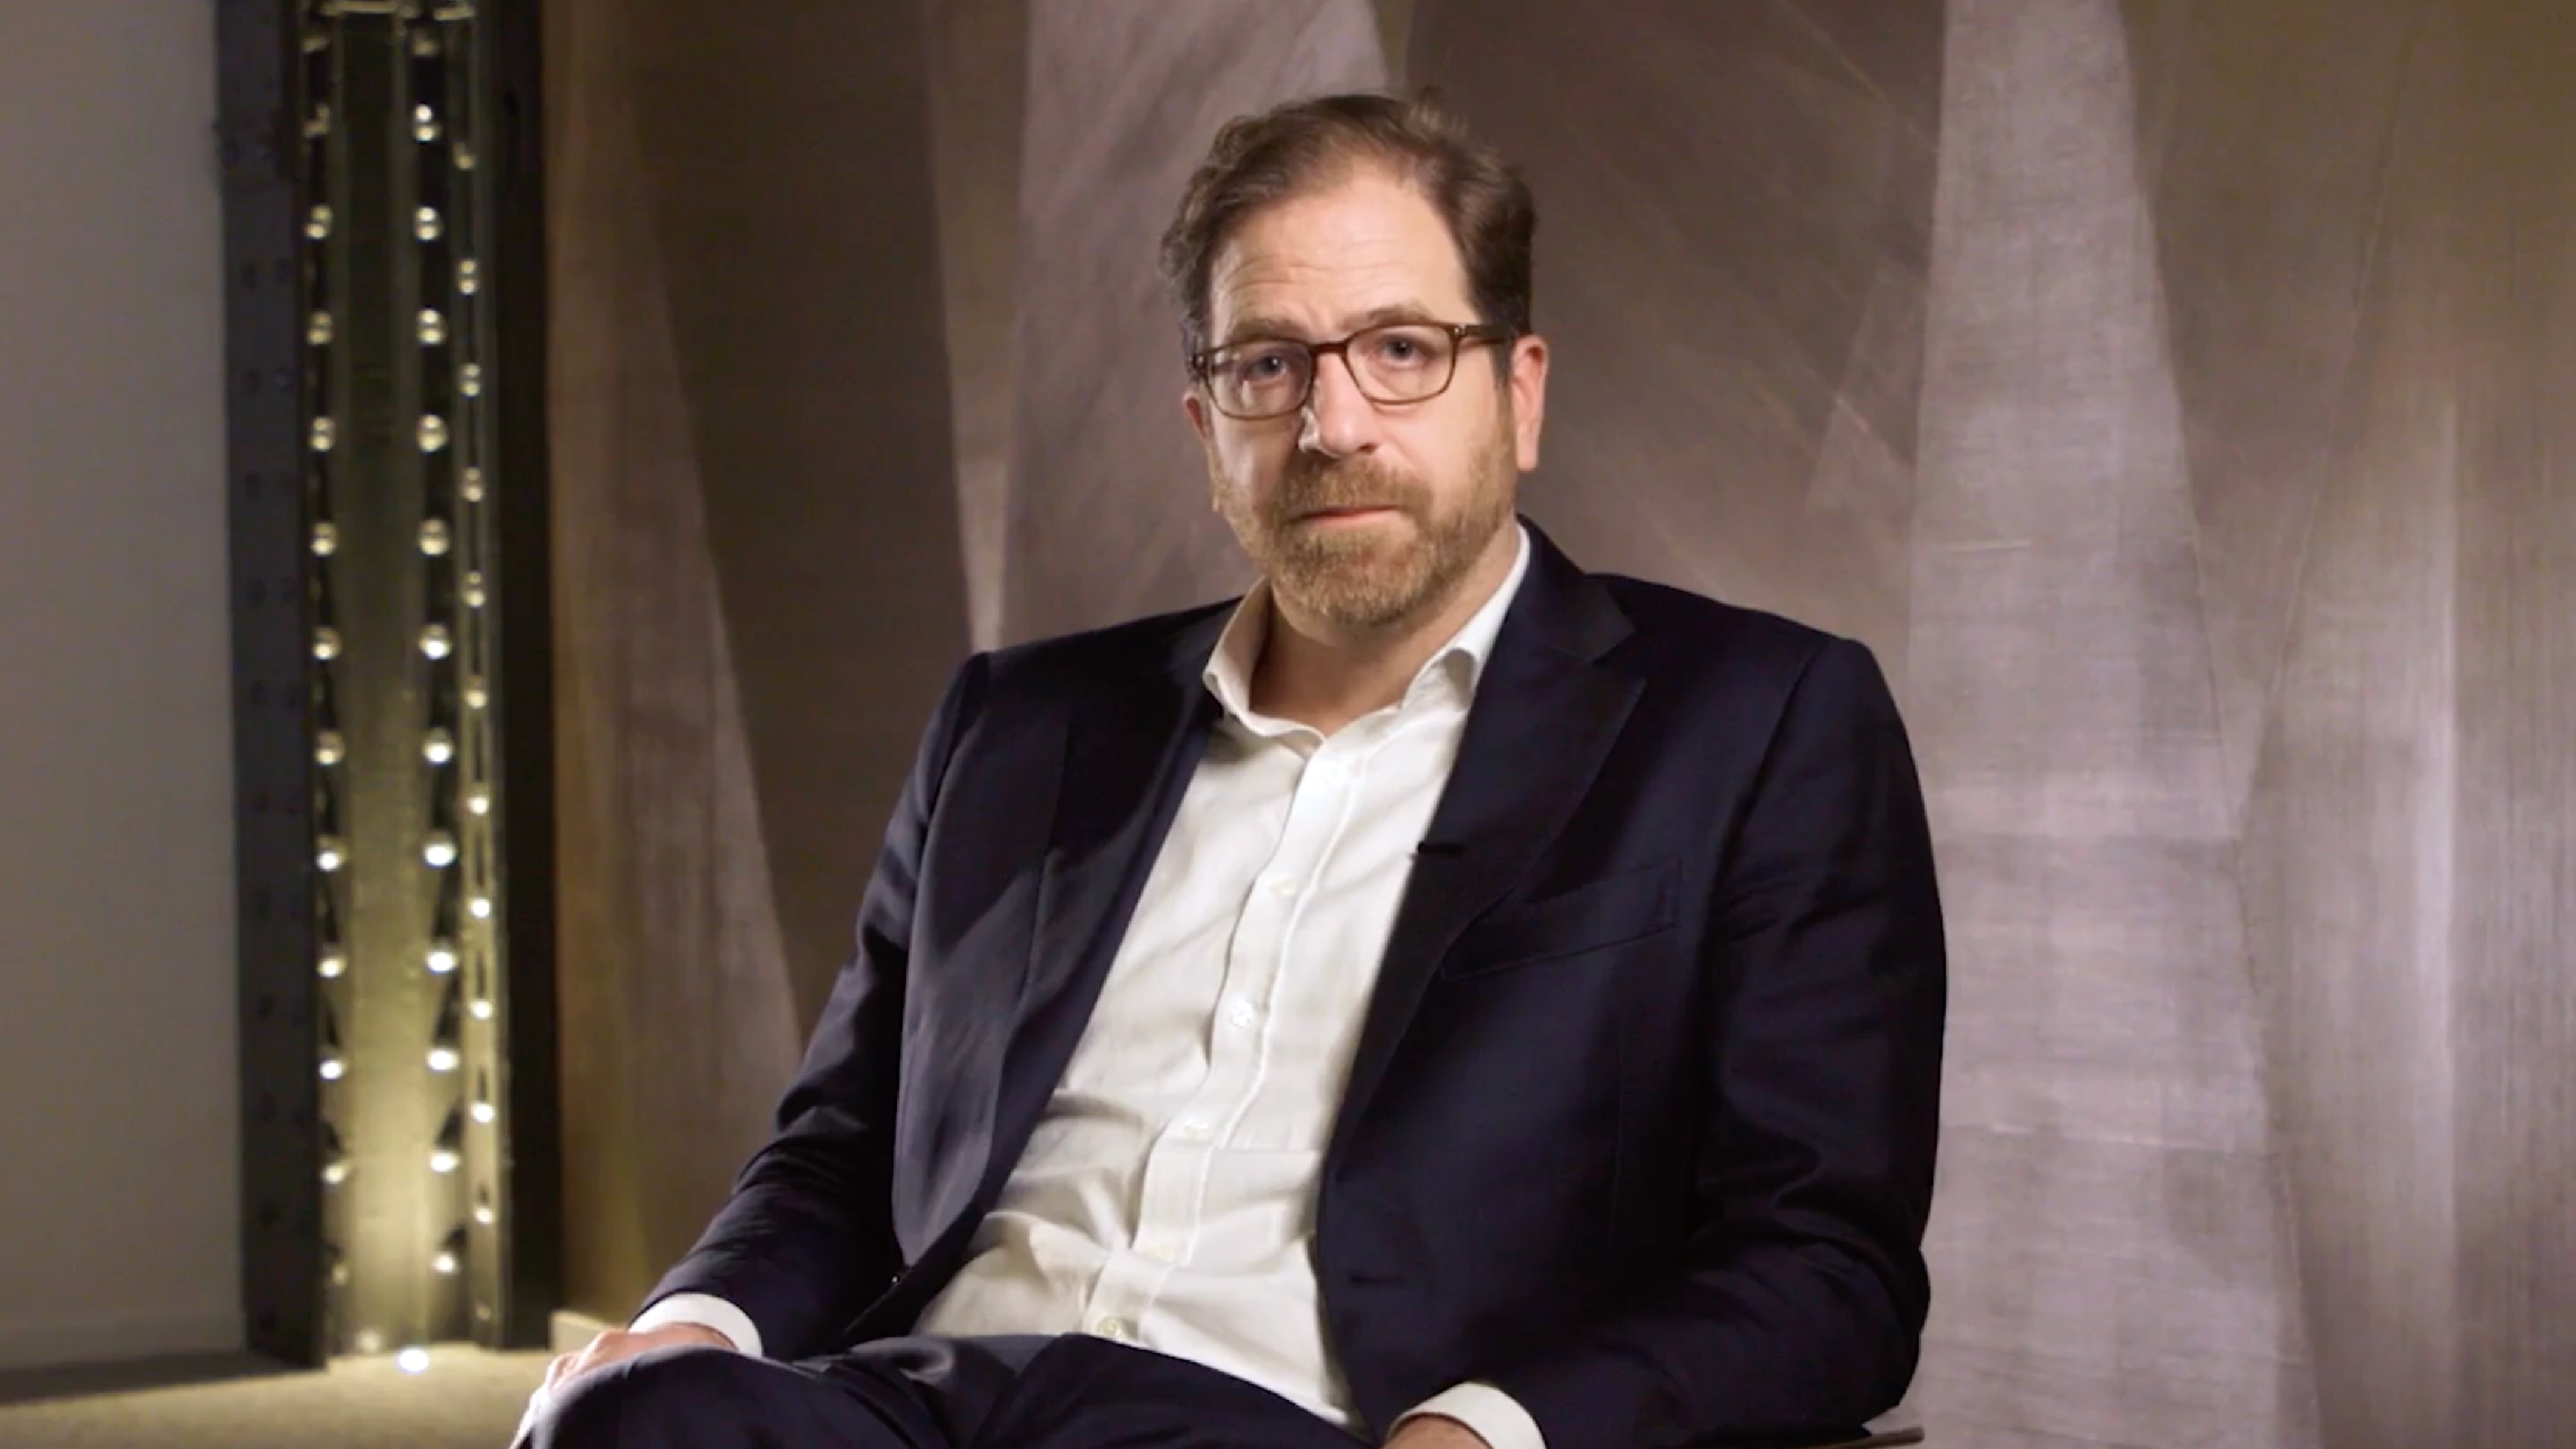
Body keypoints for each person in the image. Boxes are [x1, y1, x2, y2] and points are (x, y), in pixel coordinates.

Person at [518, 89, 1946, 1449]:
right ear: (1208, 428)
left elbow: (1825, 1268)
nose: (1332, 426)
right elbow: (838, 1152)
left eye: (1401, 349)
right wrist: (694, 1323)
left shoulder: (1755, 723)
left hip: (1308, 1421)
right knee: (626, 1419)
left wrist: (1487, 1431)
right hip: (922, 1398)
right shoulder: (1015, 726)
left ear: (1518, 392)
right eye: (1269, 364)